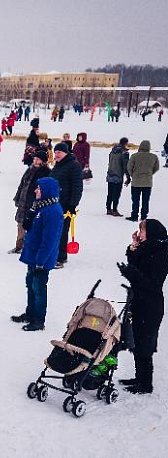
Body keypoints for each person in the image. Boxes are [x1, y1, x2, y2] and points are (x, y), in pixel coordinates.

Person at [117, 219, 168, 394]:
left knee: (145, 343)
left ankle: (145, 384)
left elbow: (153, 283)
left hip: (150, 304)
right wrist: (133, 247)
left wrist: (133, 274)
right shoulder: (147, 247)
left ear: (152, 232)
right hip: (138, 300)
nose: (140, 233)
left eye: (142, 230)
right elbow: (135, 265)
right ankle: (139, 378)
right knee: (137, 340)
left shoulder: (162, 252)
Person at [11, 177, 64, 331]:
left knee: (39, 289)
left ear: (47, 191)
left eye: (39, 188)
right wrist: (30, 215)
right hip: (33, 255)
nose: (35, 191)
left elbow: (50, 240)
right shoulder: (40, 206)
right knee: (30, 285)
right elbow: (30, 227)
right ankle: (30, 314)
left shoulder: (53, 211)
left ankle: (38, 320)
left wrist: (41, 261)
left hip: (41, 259)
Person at [50, 142, 83, 268]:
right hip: (53, 204)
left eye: (59, 152)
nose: (56, 154)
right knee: (53, 230)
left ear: (65, 153)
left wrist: (72, 205)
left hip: (65, 205)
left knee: (61, 231)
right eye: (55, 152)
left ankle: (60, 258)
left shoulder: (74, 166)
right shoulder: (58, 165)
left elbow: (77, 187)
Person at [11, 149, 51, 254]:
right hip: (23, 201)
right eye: (34, 158)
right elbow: (22, 184)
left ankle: (31, 247)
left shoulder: (46, 172)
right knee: (20, 224)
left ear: (43, 161)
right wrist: (18, 197)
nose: (35, 160)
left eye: (37, 159)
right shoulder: (30, 169)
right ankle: (19, 245)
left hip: (34, 204)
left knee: (32, 225)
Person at [126, 140, 160, 222]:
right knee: (145, 200)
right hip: (148, 183)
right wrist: (150, 174)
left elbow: (129, 167)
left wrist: (133, 175)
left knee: (135, 200)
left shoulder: (134, 156)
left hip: (136, 182)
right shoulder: (154, 157)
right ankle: (144, 216)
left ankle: (134, 216)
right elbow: (157, 168)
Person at [106, 137, 131, 217]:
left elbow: (110, 161)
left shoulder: (112, 151)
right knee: (116, 194)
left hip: (110, 174)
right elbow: (126, 166)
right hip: (118, 175)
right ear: (125, 143)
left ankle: (108, 209)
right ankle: (114, 210)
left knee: (110, 193)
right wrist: (128, 177)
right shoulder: (124, 153)